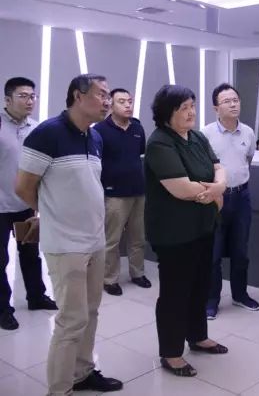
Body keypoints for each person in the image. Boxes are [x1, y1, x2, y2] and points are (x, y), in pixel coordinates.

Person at [15, 74, 123, 394]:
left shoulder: (95, 136)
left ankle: (82, 372)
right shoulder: (47, 133)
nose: (107, 101)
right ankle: (60, 388)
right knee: (71, 320)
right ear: (78, 96)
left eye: (108, 95)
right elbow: (23, 187)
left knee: (90, 313)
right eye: (102, 95)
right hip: (65, 245)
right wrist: (52, 214)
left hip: (94, 240)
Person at [144, 84, 229, 377]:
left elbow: (219, 167)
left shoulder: (196, 137)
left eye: (192, 105)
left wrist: (218, 186)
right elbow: (180, 188)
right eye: (184, 108)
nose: (191, 112)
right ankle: (171, 352)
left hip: (203, 225)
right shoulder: (160, 143)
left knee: (199, 285)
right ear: (167, 112)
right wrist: (214, 192)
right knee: (175, 292)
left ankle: (197, 336)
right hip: (174, 232)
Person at [0, 77, 57, 331]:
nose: (30, 100)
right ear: (7, 99)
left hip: (26, 205)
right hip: (0, 207)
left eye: (32, 96)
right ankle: (3, 309)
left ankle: (36, 297)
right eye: (23, 96)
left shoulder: (36, 129)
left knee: (31, 254)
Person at [202, 83, 259, 319]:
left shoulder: (248, 132)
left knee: (240, 251)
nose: (233, 104)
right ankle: (211, 300)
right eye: (227, 101)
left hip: (242, 197)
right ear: (216, 108)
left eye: (235, 100)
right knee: (213, 254)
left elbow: (248, 158)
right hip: (216, 199)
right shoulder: (205, 134)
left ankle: (240, 294)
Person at [94, 88, 150, 296]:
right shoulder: (99, 130)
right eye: (122, 101)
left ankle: (138, 273)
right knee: (112, 240)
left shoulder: (137, 127)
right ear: (110, 104)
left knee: (138, 237)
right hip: (114, 194)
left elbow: (140, 153)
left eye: (130, 101)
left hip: (138, 191)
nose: (128, 105)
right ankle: (109, 279)